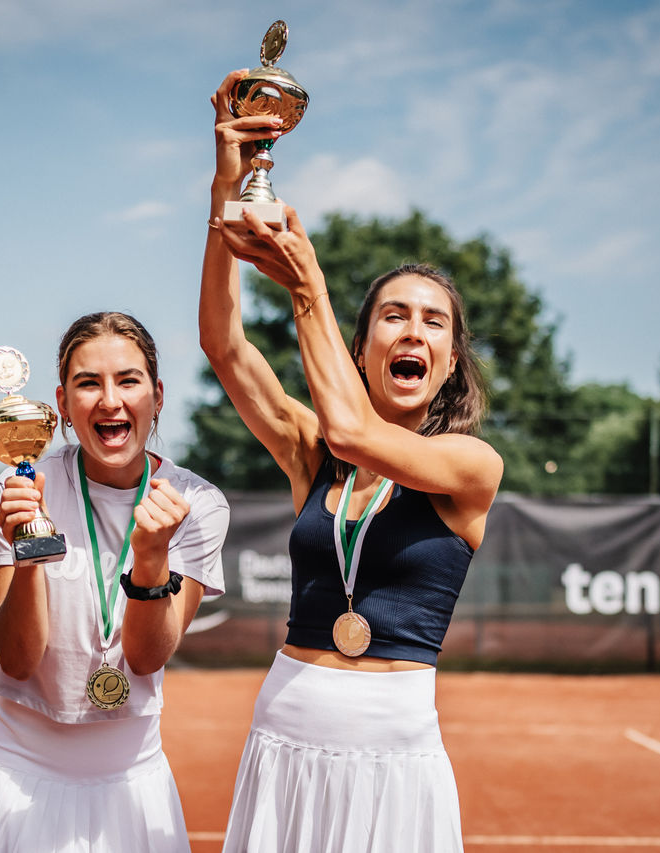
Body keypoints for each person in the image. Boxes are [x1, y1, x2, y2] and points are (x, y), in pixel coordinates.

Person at [200, 70, 504, 852]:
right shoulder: (315, 453)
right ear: (361, 348)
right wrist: (226, 195)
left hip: (394, 760)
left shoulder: (470, 466)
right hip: (284, 738)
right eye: (394, 316)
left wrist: (309, 288)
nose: (413, 331)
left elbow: (352, 430)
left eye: (433, 322)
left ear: (449, 361)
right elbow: (224, 347)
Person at [0, 311, 230, 853]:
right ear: (61, 403)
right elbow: (17, 660)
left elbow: (146, 658)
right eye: (88, 383)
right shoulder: (20, 487)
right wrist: (28, 550)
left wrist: (151, 556)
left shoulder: (197, 503)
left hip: (131, 780)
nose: (109, 400)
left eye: (128, 380)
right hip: (16, 771)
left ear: (158, 396)